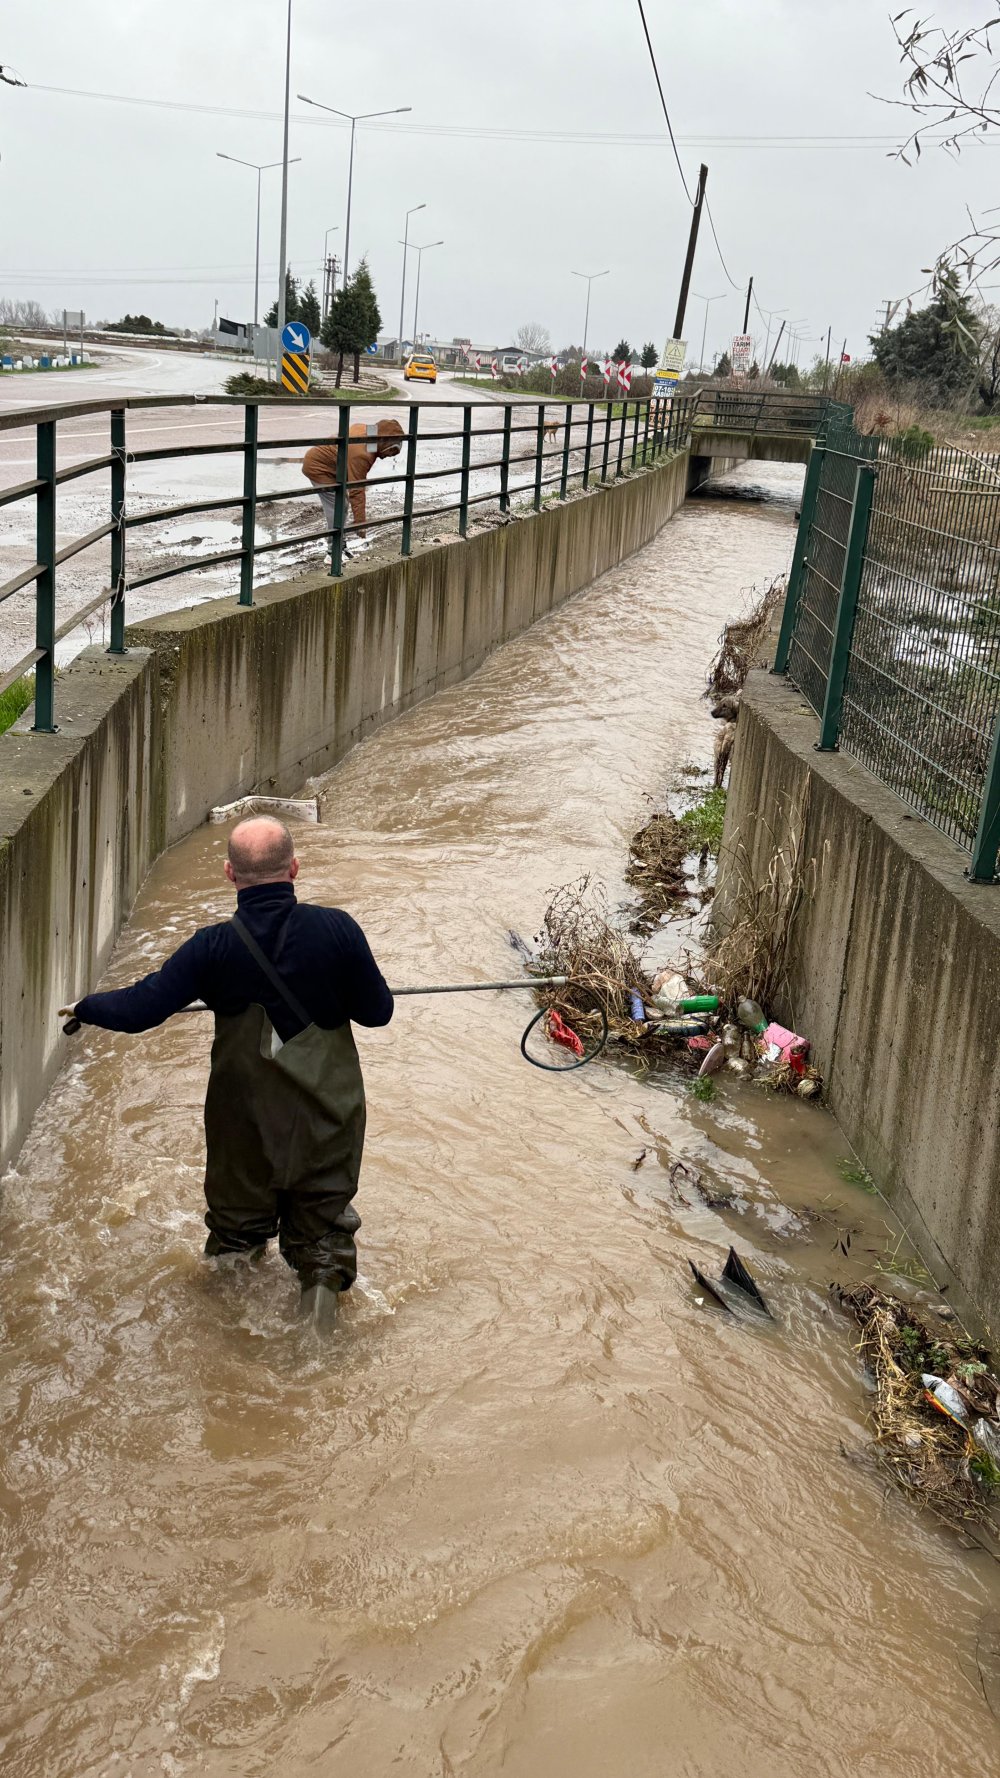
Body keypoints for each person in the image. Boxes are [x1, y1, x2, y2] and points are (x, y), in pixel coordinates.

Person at [64, 817, 394, 1329]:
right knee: (324, 1244)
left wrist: (86, 1007)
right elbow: (378, 1013)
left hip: (244, 1129)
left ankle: (225, 1349)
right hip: (327, 1124)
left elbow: (139, 1010)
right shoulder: (338, 930)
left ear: (228, 874)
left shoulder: (212, 947)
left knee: (235, 1239)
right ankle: (318, 1349)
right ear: (295, 868)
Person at [302, 417, 405, 548]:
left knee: (341, 505)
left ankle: (339, 544)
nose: (389, 456)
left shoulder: (367, 432)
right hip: (319, 468)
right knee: (337, 506)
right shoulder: (362, 454)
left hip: (332, 468)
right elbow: (357, 489)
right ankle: (334, 548)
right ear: (382, 441)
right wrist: (360, 522)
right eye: (391, 450)